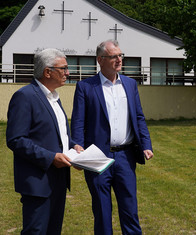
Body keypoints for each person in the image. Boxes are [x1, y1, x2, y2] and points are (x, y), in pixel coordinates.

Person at [71, 39, 154, 235]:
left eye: (120, 55)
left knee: (130, 209)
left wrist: (146, 144)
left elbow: (139, 117)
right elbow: (78, 121)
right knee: (102, 210)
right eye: (113, 56)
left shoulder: (130, 84)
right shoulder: (85, 87)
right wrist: (76, 145)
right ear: (100, 60)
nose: (119, 59)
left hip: (125, 157)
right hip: (97, 156)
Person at [6, 48, 83, 234]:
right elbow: (16, 139)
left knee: (53, 230)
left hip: (59, 178)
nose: (68, 73)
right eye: (63, 68)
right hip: (38, 181)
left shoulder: (54, 98)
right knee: (37, 231)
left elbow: (55, 134)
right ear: (47, 72)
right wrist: (50, 157)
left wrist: (73, 146)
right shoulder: (25, 96)